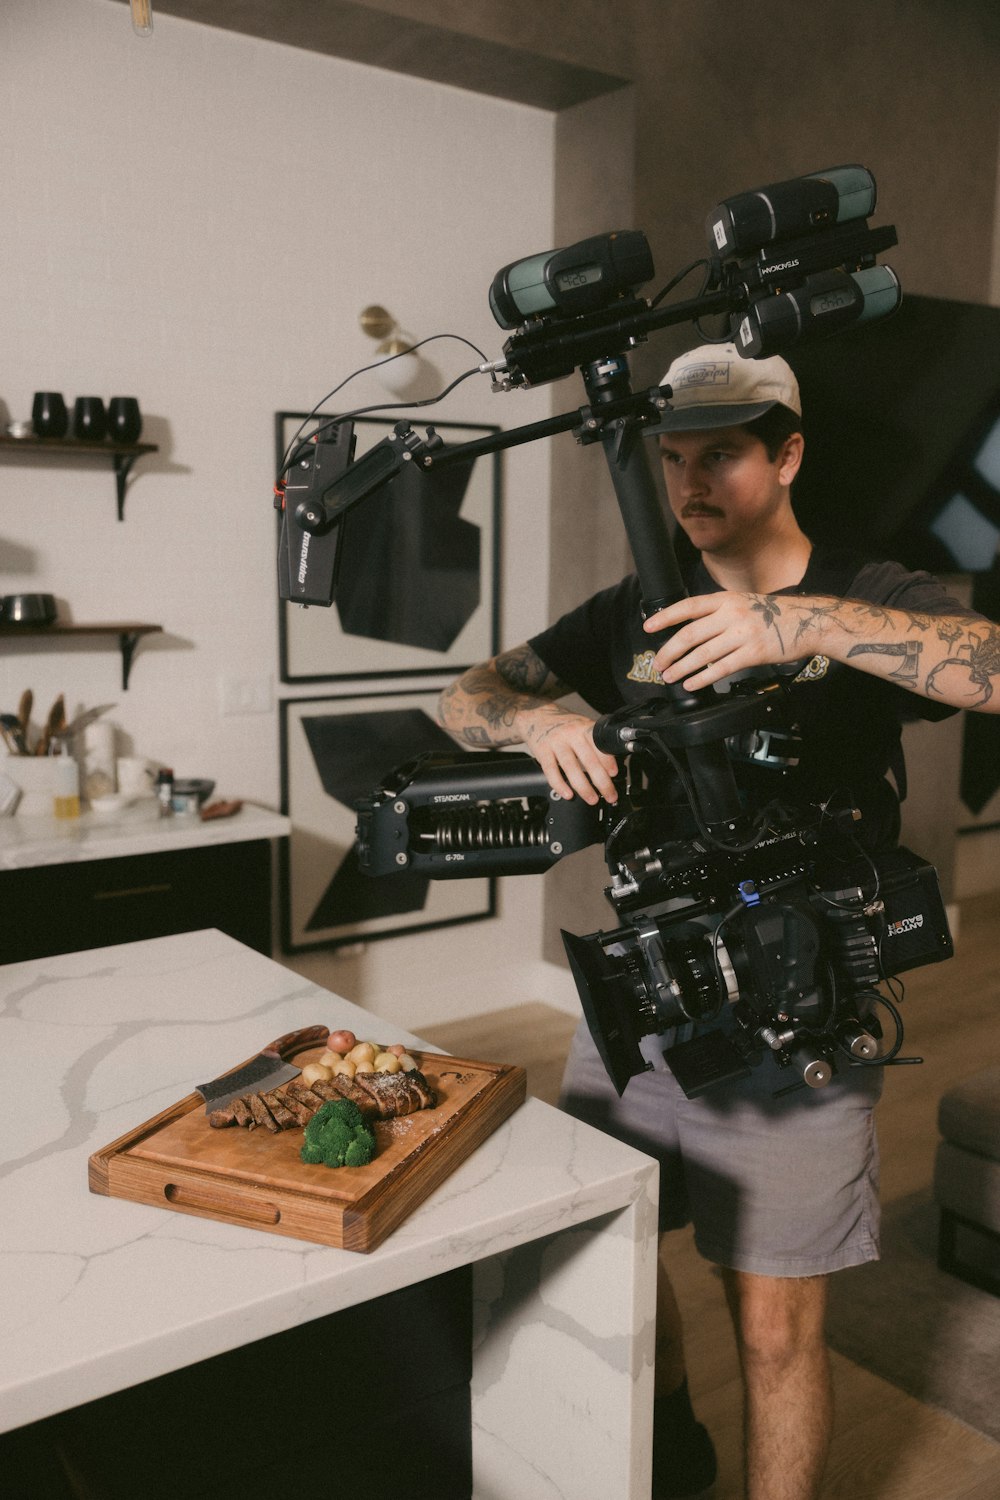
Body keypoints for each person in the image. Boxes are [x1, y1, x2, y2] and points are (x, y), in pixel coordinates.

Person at [436, 342, 1000, 1500]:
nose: (693, 486)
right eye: (675, 459)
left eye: (725, 457)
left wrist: (801, 628)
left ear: (787, 455)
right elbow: (464, 696)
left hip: (797, 1008)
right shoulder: (633, 606)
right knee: (608, 1268)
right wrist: (539, 725)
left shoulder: (867, 589)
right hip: (638, 999)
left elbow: (990, 669)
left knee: (775, 1328)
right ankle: (672, 1459)